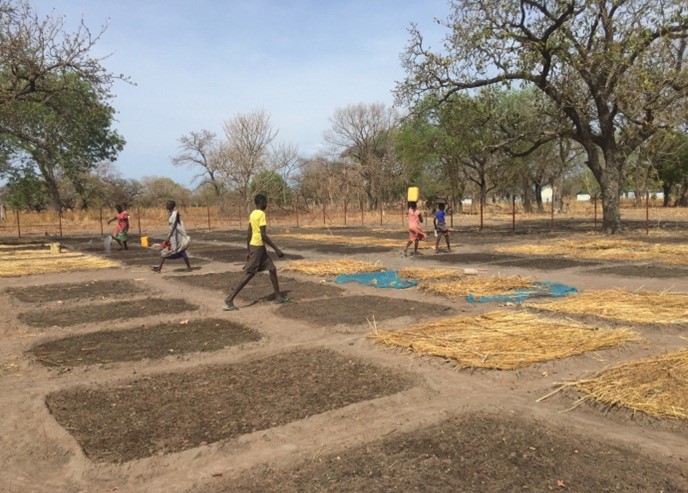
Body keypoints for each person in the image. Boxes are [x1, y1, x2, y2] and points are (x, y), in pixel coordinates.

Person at [223, 193, 289, 311]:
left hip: (256, 246)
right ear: (262, 202)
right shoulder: (262, 214)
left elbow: (249, 232)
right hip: (258, 246)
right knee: (250, 274)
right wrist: (276, 249)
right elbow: (263, 235)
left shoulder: (253, 213)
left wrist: (248, 249)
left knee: (272, 269)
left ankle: (278, 296)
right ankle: (229, 299)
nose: (267, 204)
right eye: (266, 202)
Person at [152, 200, 192, 273]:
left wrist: (168, 237)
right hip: (172, 235)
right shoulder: (171, 214)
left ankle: (159, 268)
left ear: (172, 206)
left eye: (168, 204)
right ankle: (159, 268)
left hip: (176, 236)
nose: (166, 205)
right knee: (177, 250)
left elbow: (173, 226)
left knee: (174, 249)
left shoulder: (175, 214)